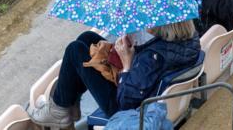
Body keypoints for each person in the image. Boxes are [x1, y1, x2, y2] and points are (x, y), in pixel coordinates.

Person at [27, 20, 201, 128]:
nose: (146, 22)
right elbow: (153, 69)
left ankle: (60, 110)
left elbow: (125, 101)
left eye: (151, 20)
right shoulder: (190, 39)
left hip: (128, 109)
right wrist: (134, 52)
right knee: (88, 38)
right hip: (150, 91)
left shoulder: (153, 58)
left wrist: (127, 63)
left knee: (75, 50)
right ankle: (68, 105)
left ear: (164, 25)